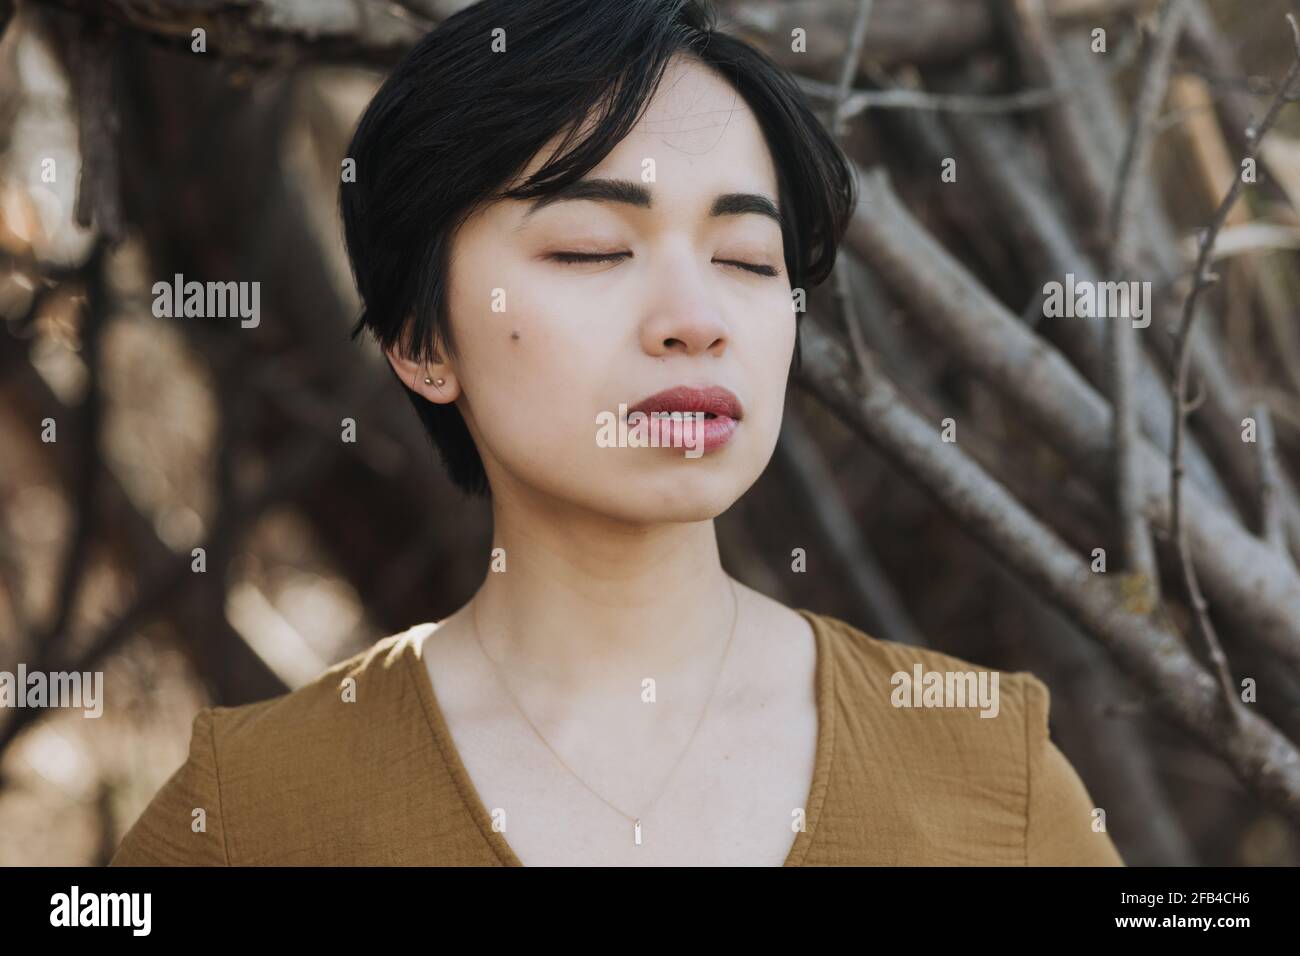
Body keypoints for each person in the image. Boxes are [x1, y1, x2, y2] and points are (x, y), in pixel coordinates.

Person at [110, 0, 1123, 867]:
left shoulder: (993, 774)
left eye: (745, 256)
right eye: (593, 248)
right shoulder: (248, 815)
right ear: (421, 339)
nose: (695, 315)